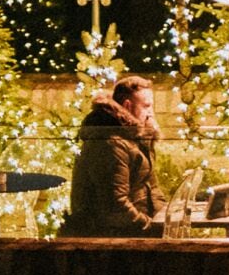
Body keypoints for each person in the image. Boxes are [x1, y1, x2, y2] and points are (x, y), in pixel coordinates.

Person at [61, 75, 162, 237]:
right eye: (146, 106)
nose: (151, 112)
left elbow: (152, 188)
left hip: (131, 230)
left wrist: (164, 219)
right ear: (127, 106)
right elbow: (115, 205)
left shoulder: (136, 139)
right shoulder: (111, 142)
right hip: (108, 237)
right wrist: (150, 227)